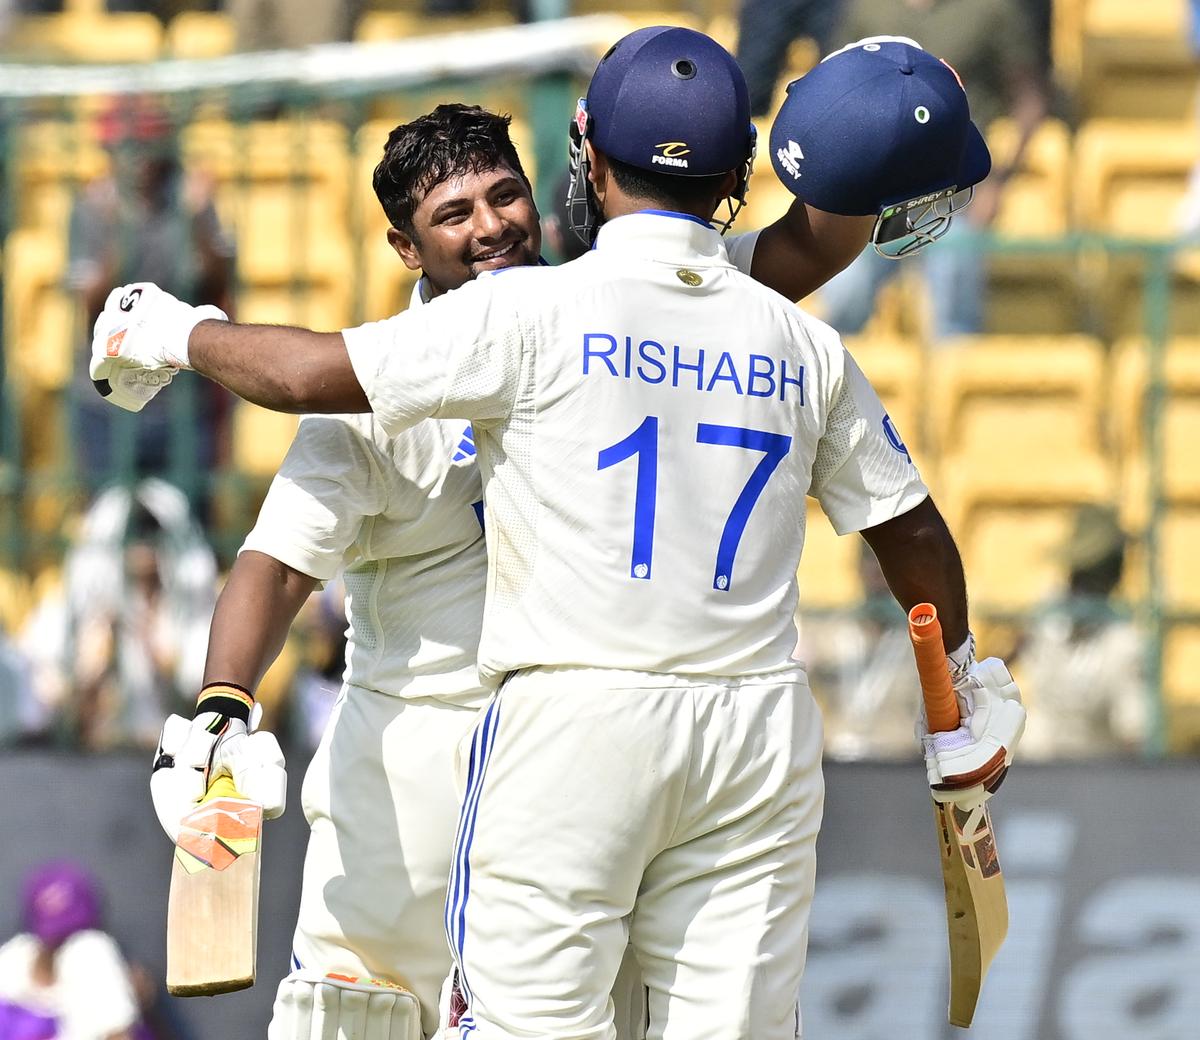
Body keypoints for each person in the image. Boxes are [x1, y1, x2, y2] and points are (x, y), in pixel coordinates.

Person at [92, 32, 1026, 1040]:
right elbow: (277, 566)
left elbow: (301, 369)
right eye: (454, 214)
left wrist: (172, 330)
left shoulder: (554, 305)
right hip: (423, 780)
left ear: (576, 166)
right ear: (406, 247)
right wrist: (224, 705)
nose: (490, 227)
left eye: (504, 198)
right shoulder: (597, 327)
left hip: (561, 748)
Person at [817, 1, 1049, 339]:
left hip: (955, 194)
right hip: (874, 193)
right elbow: (830, 90)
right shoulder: (865, 9)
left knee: (955, 317)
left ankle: (958, 388)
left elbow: (1030, 98)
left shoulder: (992, 10)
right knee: (842, 303)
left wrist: (1000, 180)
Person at [1014, 504, 1147, 759]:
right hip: (1036, 765)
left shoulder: (1123, 642)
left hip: (1096, 774)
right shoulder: (1045, 615)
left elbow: (1133, 731)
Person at [0, 862, 141, 1040]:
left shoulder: (91, 950)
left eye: (66, 938)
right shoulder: (13, 961)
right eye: (53, 938)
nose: (59, 945)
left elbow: (120, 1033)